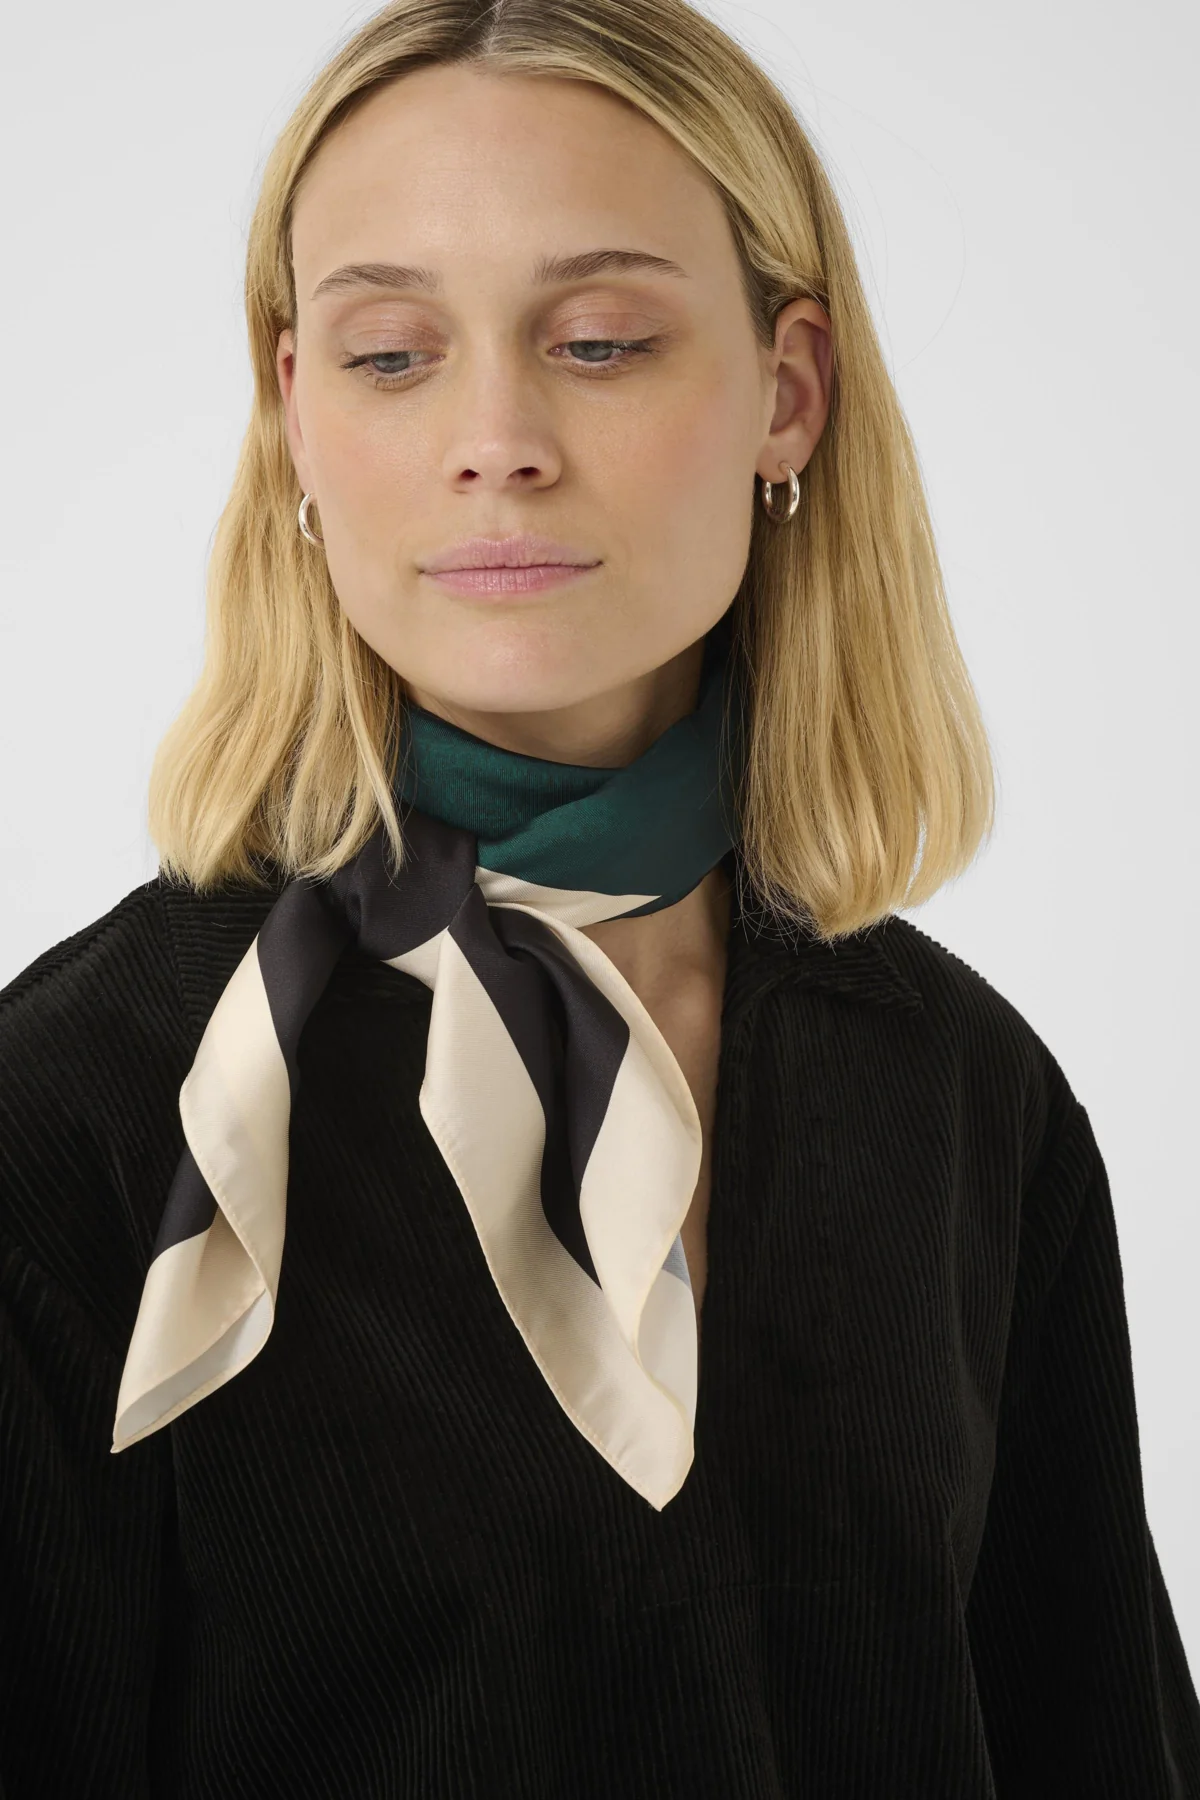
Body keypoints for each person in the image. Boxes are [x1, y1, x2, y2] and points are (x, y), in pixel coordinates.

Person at [2, 0, 1197, 1793]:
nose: (497, 438)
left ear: (788, 393)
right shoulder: (68, 1116)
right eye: (392, 354)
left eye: (600, 341)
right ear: (295, 413)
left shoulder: (971, 1096)